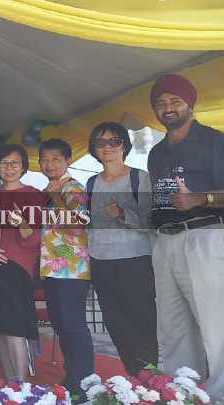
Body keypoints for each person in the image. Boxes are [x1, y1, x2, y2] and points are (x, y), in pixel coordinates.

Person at [147, 74, 224, 400]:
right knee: (173, 326)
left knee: (215, 324)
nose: (168, 108)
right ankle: (184, 392)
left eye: (174, 101)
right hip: (166, 242)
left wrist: (199, 199)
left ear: (189, 104)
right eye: (161, 103)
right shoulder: (156, 152)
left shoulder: (214, 141)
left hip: (205, 236)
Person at [84, 122, 157, 376]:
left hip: (135, 261)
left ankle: (151, 379)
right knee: (114, 323)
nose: (107, 147)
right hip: (102, 261)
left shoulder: (139, 177)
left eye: (113, 141)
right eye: (100, 142)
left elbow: (150, 221)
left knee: (142, 320)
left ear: (124, 146)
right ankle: (134, 375)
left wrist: (122, 214)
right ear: (94, 148)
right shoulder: (91, 183)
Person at [0, 144, 46, 381]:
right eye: (4, 163)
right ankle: (11, 385)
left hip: (17, 268)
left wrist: (22, 223)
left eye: (14, 163)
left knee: (16, 328)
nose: (9, 168)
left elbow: (36, 239)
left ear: (24, 166)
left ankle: (22, 386)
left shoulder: (33, 194)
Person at [37, 138, 92, 396]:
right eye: (45, 159)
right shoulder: (49, 190)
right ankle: (73, 378)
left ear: (68, 160)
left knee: (73, 325)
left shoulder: (73, 189)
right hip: (51, 269)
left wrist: (57, 197)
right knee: (61, 325)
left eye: (55, 159)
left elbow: (76, 226)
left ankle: (85, 382)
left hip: (72, 269)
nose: (49, 164)